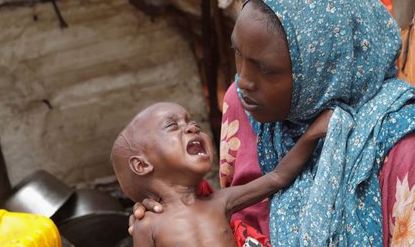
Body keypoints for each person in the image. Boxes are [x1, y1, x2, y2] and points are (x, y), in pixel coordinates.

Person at [131, 0, 415, 246]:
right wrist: (170, 204)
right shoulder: (244, 105)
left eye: (266, 69)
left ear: (324, 70)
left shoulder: (404, 149)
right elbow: (232, 215)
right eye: (238, 54)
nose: (244, 80)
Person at [112, 102, 331, 247]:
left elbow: (278, 177)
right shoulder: (146, 225)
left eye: (193, 123)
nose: (192, 128)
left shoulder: (220, 202)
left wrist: (311, 135)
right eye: (172, 126)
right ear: (142, 165)